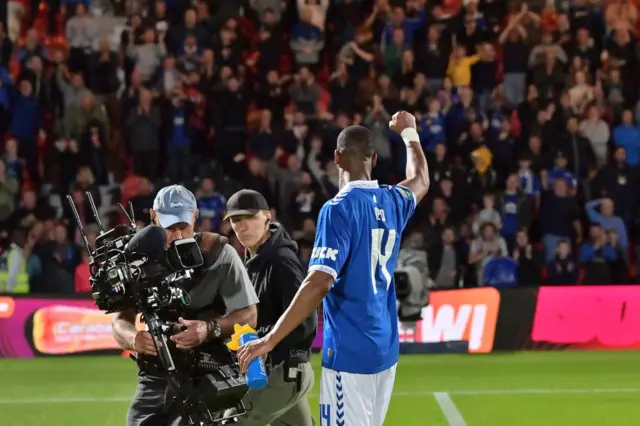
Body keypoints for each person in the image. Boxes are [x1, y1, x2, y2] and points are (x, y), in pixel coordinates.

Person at [237, 111, 430, 426]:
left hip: (351, 354)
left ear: (337, 158)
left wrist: (268, 340)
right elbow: (421, 179)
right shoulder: (394, 200)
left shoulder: (338, 209)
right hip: (385, 350)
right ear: (374, 159)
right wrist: (410, 133)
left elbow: (320, 281)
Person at [111, 185, 259, 426]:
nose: (178, 236)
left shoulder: (220, 254)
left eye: (183, 227)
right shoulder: (139, 260)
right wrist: (134, 339)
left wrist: (208, 328)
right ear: (153, 217)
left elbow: (250, 315)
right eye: (169, 228)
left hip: (210, 375)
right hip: (156, 378)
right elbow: (120, 321)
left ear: (195, 216)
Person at [224, 188, 317, 426]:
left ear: (267, 216)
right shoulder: (252, 259)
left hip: (284, 371)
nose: (242, 227)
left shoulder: (280, 260)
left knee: (232, 421)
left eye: (249, 218)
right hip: (271, 370)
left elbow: (306, 320)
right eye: (236, 220)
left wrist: (266, 342)